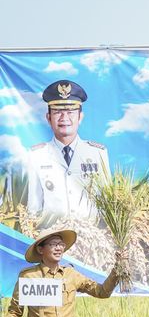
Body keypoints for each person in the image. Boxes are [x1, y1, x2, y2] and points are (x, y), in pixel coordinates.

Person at [1, 228, 119, 317]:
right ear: (40, 249)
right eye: (53, 244)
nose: (59, 248)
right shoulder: (29, 277)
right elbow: (15, 312)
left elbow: (102, 292)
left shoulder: (71, 274)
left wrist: (117, 269)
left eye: (61, 244)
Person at [25, 79, 111, 228]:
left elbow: (107, 205)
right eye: (58, 112)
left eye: (70, 112)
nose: (64, 118)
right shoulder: (37, 155)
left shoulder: (98, 154)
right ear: (48, 118)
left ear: (80, 117)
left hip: (92, 241)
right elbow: (34, 206)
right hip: (53, 240)